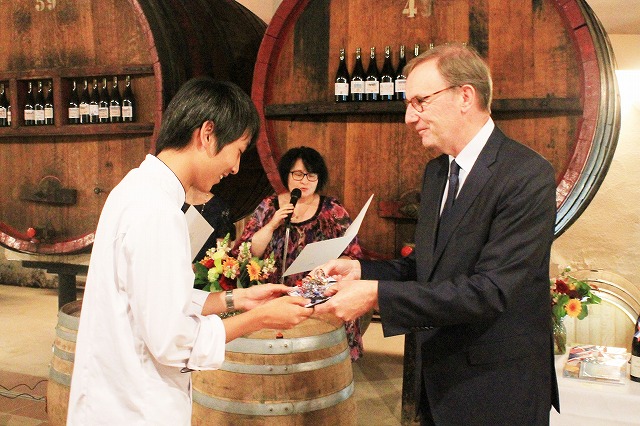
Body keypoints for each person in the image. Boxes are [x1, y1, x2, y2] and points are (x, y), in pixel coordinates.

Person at [314, 43, 560, 425]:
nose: (409, 117)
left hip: (498, 389)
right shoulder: (436, 173)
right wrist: (361, 271)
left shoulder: (526, 175)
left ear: (465, 96)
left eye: (420, 102)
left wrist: (376, 296)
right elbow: (425, 267)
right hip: (437, 380)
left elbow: (490, 290)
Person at [67, 77, 313, 425]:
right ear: (208, 134)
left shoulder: (136, 187)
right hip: (134, 407)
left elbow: (158, 298)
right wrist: (260, 318)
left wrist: (238, 299)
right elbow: (173, 341)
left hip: (113, 396)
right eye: (238, 151)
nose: (235, 168)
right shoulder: (158, 210)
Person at [233, 146, 365, 360]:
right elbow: (247, 252)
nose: (304, 181)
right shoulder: (269, 205)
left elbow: (353, 253)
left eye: (311, 175)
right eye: (298, 174)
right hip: (276, 292)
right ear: (286, 175)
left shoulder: (332, 209)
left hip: (317, 291)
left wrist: (333, 267)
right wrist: (272, 224)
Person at [182, 187, 236, 264]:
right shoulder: (170, 200)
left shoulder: (219, 207)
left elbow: (222, 254)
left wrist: (199, 267)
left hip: (203, 269)